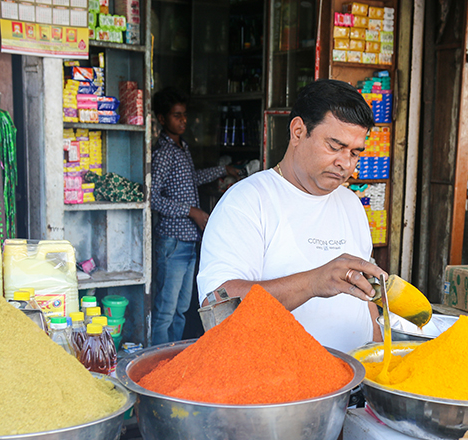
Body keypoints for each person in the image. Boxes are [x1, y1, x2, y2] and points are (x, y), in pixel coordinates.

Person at [197, 79, 386, 352]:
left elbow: (363, 298)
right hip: (280, 388)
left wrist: (377, 355)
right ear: (298, 131)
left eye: (355, 153)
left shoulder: (351, 204)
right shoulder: (247, 201)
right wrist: (313, 282)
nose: (346, 164)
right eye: (335, 146)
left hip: (352, 380)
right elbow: (217, 310)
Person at [150, 87, 241, 345]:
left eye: (184, 115)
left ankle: (173, 360)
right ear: (161, 118)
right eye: (176, 116)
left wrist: (223, 169)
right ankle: (156, 360)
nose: (183, 121)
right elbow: (153, 197)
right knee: (165, 312)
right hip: (173, 241)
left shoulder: (182, 148)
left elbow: (191, 179)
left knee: (180, 311)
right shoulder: (164, 152)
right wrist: (192, 211)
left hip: (188, 242)